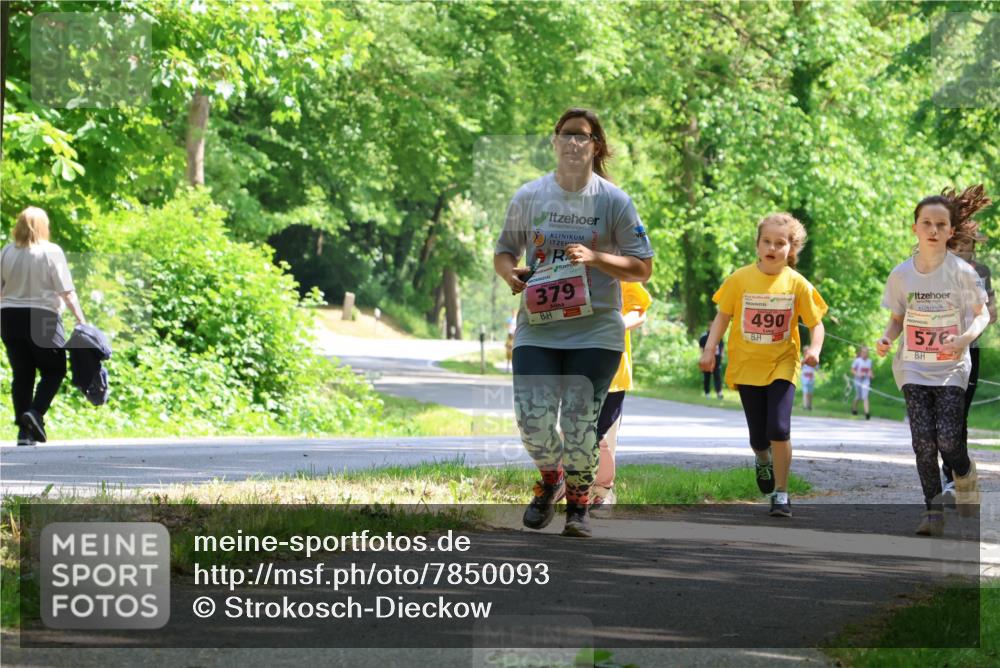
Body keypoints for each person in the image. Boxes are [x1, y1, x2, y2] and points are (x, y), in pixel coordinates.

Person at [494, 107, 654, 538]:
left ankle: (579, 507)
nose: (573, 142)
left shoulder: (614, 201)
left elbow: (642, 268)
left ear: (596, 145)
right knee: (532, 421)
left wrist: (596, 257)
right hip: (539, 325)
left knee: (579, 424)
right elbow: (505, 250)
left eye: (583, 135)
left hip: (596, 328)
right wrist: (510, 274)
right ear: (554, 141)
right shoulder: (530, 195)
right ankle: (552, 479)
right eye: (566, 134)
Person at [876, 185, 991, 536]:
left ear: (951, 231)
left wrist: (965, 339)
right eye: (926, 223)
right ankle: (933, 511)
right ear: (915, 228)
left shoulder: (963, 272)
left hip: (951, 366)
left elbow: (983, 314)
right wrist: (887, 338)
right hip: (912, 366)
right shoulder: (901, 275)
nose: (933, 230)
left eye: (941, 224)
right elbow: (897, 318)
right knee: (923, 444)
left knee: (949, 441)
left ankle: (965, 473)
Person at [699, 213, 827, 518]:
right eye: (766, 241)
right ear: (757, 245)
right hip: (747, 364)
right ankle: (762, 459)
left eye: (780, 243)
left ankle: (781, 493)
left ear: (791, 248)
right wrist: (709, 349)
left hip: (783, 363)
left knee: (779, 429)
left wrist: (815, 348)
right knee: (759, 437)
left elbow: (816, 324)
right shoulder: (740, 279)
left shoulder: (797, 283)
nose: (772, 247)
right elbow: (723, 316)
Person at [0, 207, 86, 445]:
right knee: (55, 369)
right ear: (42, 226)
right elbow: (67, 291)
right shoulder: (51, 251)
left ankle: (24, 433)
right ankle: (35, 412)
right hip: (42, 315)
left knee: (22, 373)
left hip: (9, 317)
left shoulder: (6, 251)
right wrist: (81, 320)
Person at [941, 228, 997, 502]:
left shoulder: (982, 271)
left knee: (959, 412)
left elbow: (992, 311)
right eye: (957, 244)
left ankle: (955, 475)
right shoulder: (935, 267)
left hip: (970, 349)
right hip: (938, 350)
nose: (962, 249)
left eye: (967, 244)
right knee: (943, 413)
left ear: (974, 246)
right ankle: (951, 472)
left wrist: (985, 312)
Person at [591, 281, 652, 515]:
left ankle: (603, 493)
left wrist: (616, 326)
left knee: (604, 438)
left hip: (612, 373)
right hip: (573, 370)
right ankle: (577, 492)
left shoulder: (620, 272)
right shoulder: (566, 267)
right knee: (571, 433)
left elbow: (639, 311)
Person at [698, 329, 723, 399]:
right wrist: (703, 358)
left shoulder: (718, 337)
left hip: (717, 360)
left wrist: (721, 358)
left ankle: (719, 393)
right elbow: (701, 349)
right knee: (707, 377)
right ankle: (707, 393)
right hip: (707, 360)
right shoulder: (704, 338)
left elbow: (721, 348)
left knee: (717, 376)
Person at [850, 345, 874, 419]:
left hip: (866, 381)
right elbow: (852, 370)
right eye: (863, 352)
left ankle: (867, 413)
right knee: (858, 396)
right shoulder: (857, 360)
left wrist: (871, 375)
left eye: (866, 352)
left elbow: (870, 370)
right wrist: (858, 374)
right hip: (858, 381)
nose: (864, 353)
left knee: (865, 396)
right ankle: (854, 409)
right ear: (861, 352)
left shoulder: (869, 361)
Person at [504, 308, 517, 373]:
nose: (513, 314)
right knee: (508, 351)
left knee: (513, 353)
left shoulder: (517, 320)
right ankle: (508, 368)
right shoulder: (509, 319)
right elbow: (506, 326)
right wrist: (509, 326)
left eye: (514, 312)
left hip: (515, 335)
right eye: (513, 312)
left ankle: (513, 368)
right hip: (510, 335)